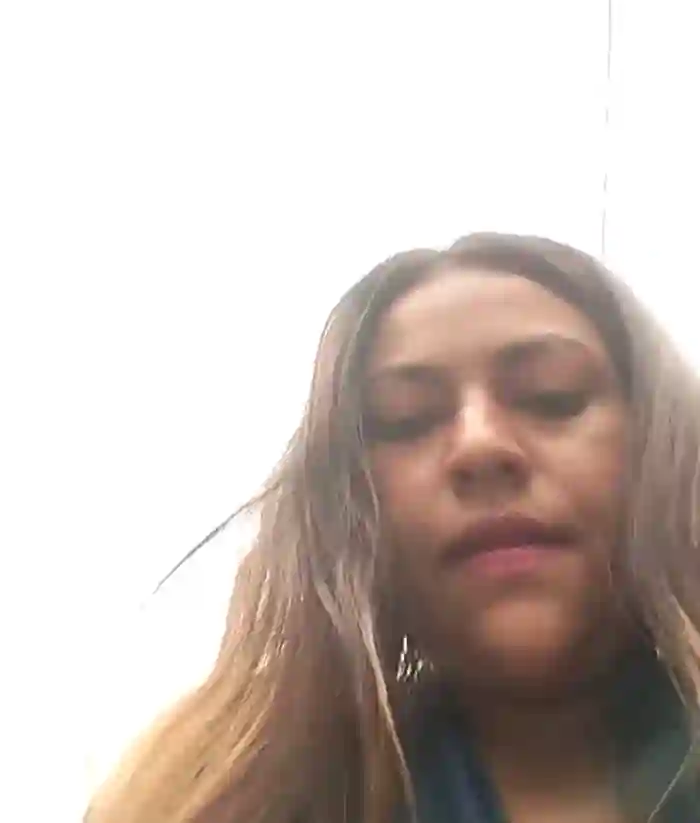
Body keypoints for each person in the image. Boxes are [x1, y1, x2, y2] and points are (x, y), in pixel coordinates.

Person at [85, 233, 699, 823]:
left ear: (661, 443)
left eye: (551, 396)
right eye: (406, 420)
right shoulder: (204, 803)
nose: (479, 445)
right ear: (350, 502)